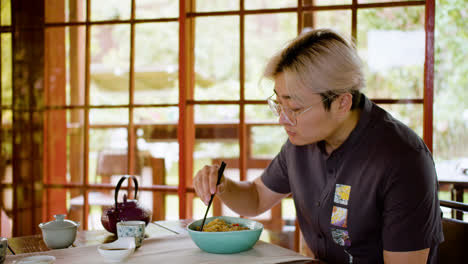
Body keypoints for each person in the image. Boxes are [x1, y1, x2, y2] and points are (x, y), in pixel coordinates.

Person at [194, 28, 443, 264]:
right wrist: (223, 184)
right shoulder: (300, 143)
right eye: (278, 104)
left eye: (295, 109)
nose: (282, 119)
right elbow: (257, 198)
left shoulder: (402, 159)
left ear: (342, 103)